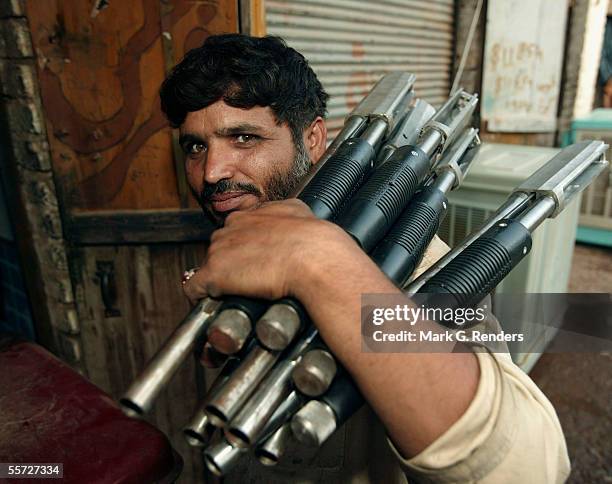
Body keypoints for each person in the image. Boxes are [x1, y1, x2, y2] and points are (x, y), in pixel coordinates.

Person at [160, 34, 570, 483]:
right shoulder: (234, 245)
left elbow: (530, 467)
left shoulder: (414, 266)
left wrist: (318, 264)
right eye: (196, 147)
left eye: (243, 138)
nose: (213, 171)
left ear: (313, 139)